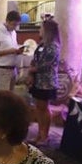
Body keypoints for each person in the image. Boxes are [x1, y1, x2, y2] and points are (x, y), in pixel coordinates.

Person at [25, 18, 61, 147]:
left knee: (44, 108)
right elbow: (35, 59)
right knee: (39, 108)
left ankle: (44, 135)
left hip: (46, 82)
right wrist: (31, 70)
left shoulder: (53, 47)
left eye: (41, 28)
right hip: (38, 80)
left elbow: (46, 65)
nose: (39, 30)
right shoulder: (42, 45)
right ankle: (40, 133)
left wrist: (31, 70)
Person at [0, 10, 24, 93]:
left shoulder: (13, 33)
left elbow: (13, 47)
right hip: (2, 70)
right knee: (3, 98)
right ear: (7, 21)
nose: (15, 27)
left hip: (13, 69)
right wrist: (9, 51)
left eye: (17, 25)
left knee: (10, 98)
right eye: (13, 24)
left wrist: (18, 50)